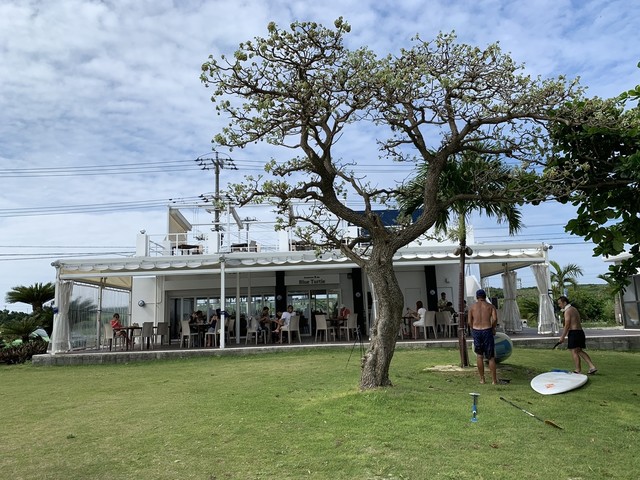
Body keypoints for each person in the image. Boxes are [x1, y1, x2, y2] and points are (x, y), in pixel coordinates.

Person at [557, 296, 597, 374]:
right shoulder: (574, 309)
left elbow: (567, 325)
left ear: (564, 303)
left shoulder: (568, 311)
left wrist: (562, 336)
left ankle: (578, 370)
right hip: (580, 332)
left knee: (574, 351)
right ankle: (592, 366)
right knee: (579, 351)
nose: (559, 305)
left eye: (560, 303)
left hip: (574, 333)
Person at [468, 289, 498, 385]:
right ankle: (494, 380)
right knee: (491, 357)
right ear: (485, 297)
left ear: (477, 297)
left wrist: (473, 329)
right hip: (487, 330)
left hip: (477, 331)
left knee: (479, 355)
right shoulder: (491, 306)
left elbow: (469, 321)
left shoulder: (472, 307)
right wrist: (493, 328)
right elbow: (495, 319)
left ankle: (482, 379)